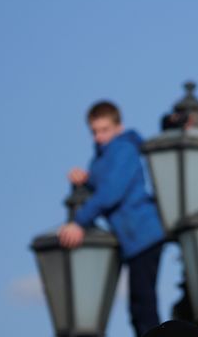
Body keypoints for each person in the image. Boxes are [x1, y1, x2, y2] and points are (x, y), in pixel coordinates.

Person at [58, 101, 166, 337]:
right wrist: (83, 182)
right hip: (133, 239)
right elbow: (100, 189)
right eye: (94, 131)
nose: (99, 136)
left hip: (143, 235)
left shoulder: (123, 149)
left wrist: (79, 222)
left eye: (104, 129)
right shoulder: (101, 158)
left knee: (143, 304)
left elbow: (111, 192)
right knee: (139, 306)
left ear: (119, 126)